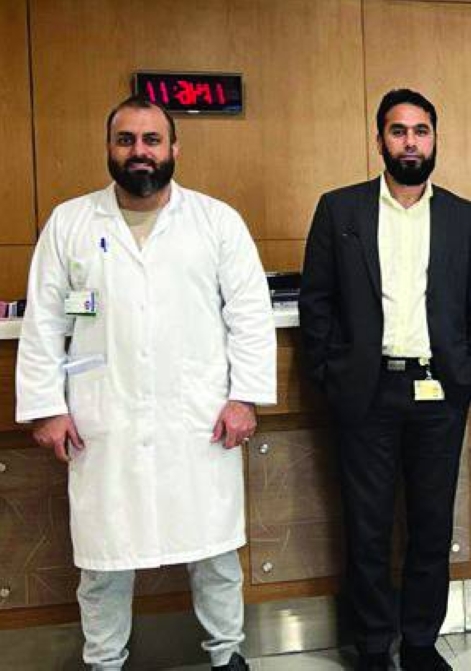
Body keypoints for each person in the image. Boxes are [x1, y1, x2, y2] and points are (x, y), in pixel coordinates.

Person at [15, 95, 276, 671]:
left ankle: (228, 655)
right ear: (109, 149)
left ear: (173, 148)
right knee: (105, 559)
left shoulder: (215, 221)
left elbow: (250, 315)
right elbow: (47, 321)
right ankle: (104, 661)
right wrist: (46, 407)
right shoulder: (72, 222)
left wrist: (243, 397)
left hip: (198, 419)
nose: (140, 151)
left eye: (151, 140)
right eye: (126, 140)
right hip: (103, 420)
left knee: (214, 553)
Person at [299, 89, 471, 671]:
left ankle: (418, 642)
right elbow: (317, 303)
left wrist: (468, 373)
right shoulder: (341, 210)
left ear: (436, 138)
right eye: (398, 130)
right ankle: (372, 645)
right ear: (379, 139)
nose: (410, 141)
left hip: (440, 392)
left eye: (421, 131)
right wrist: (332, 375)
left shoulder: (465, 216)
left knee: (433, 525)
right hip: (366, 393)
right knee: (368, 528)